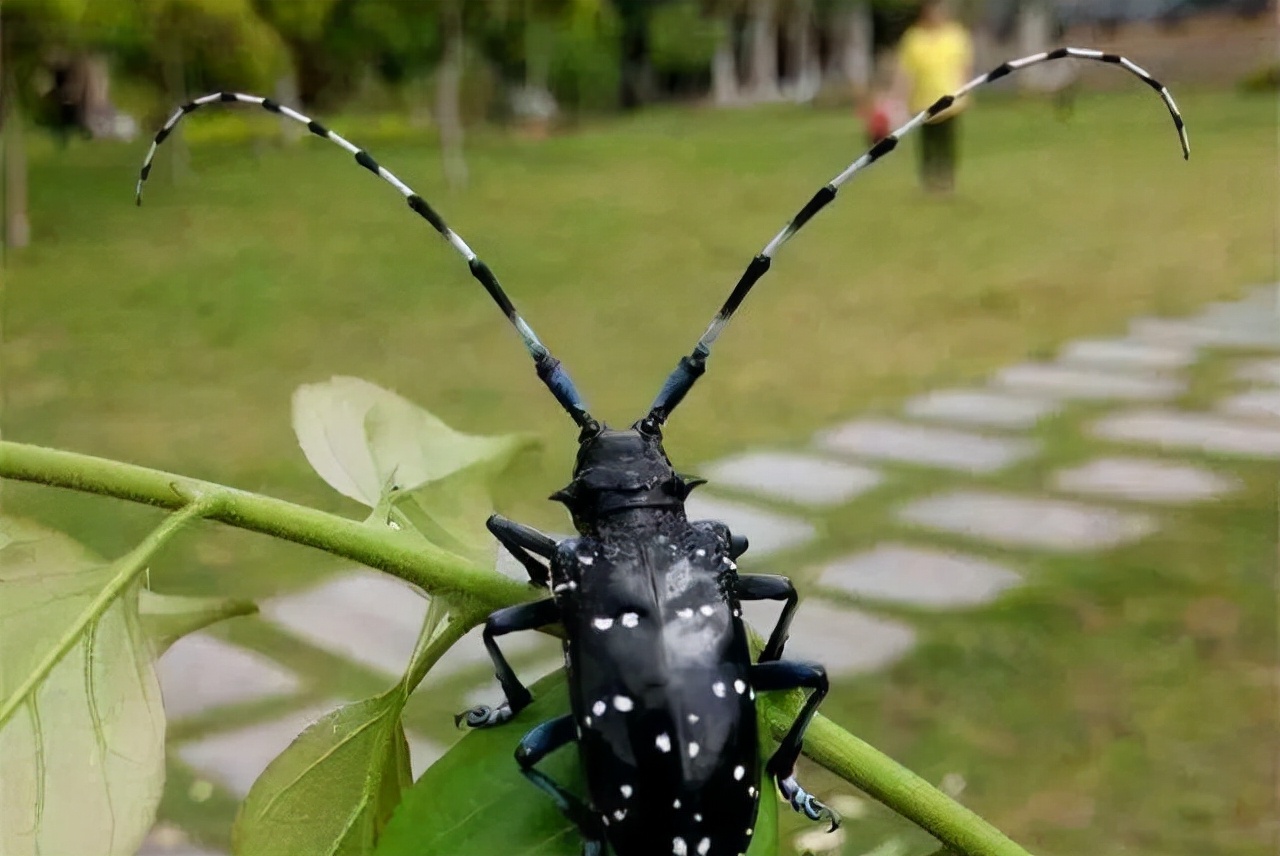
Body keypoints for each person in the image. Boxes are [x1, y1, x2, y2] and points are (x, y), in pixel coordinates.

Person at [892, 0, 974, 194]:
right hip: (922, 100)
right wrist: (899, 96)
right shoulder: (914, 37)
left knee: (947, 140)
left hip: (950, 100)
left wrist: (966, 91)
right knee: (927, 142)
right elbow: (905, 70)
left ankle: (947, 178)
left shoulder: (955, 35)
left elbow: (964, 65)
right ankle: (929, 180)